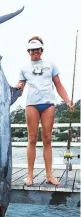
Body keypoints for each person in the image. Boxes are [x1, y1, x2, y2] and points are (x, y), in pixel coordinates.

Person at [15, 36, 74, 185]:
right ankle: (30, 175)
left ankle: (49, 175)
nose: (35, 52)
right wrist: (18, 88)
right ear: (28, 51)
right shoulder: (23, 68)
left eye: (38, 49)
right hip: (32, 105)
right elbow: (20, 86)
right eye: (32, 50)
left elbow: (58, 84)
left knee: (47, 139)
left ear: (42, 50)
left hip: (48, 104)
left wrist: (67, 100)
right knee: (32, 139)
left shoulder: (51, 64)